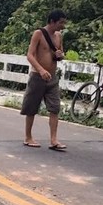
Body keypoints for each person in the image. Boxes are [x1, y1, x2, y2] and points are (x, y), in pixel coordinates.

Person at [21, 10, 68, 151]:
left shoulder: (59, 36)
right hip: (37, 76)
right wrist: (41, 70)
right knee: (31, 107)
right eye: (61, 22)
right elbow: (30, 55)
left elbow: (60, 54)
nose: (63, 26)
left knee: (55, 107)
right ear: (52, 21)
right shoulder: (38, 34)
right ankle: (28, 137)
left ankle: (54, 140)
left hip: (52, 77)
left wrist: (60, 55)